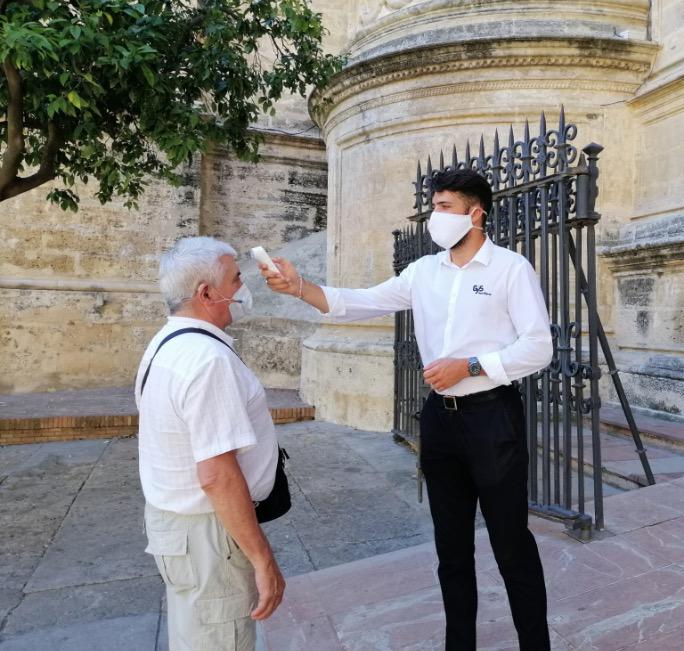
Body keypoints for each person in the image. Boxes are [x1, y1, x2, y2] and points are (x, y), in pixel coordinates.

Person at [260, 169, 553, 650]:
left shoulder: (510, 269)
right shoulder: (423, 272)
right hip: (441, 420)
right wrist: (300, 288)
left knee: (511, 544)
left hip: (493, 418)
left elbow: (538, 347)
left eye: (445, 207)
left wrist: (472, 365)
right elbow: (360, 302)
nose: (434, 217)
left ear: (475, 214)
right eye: (433, 206)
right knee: (451, 549)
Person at [136, 236, 285, 651]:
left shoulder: (166, 343)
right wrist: (262, 558)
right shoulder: (207, 360)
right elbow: (217, 474)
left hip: (181, 528)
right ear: (207, 293)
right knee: (222, 639)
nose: (243, 288)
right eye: (236, 279)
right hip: (210, 536)